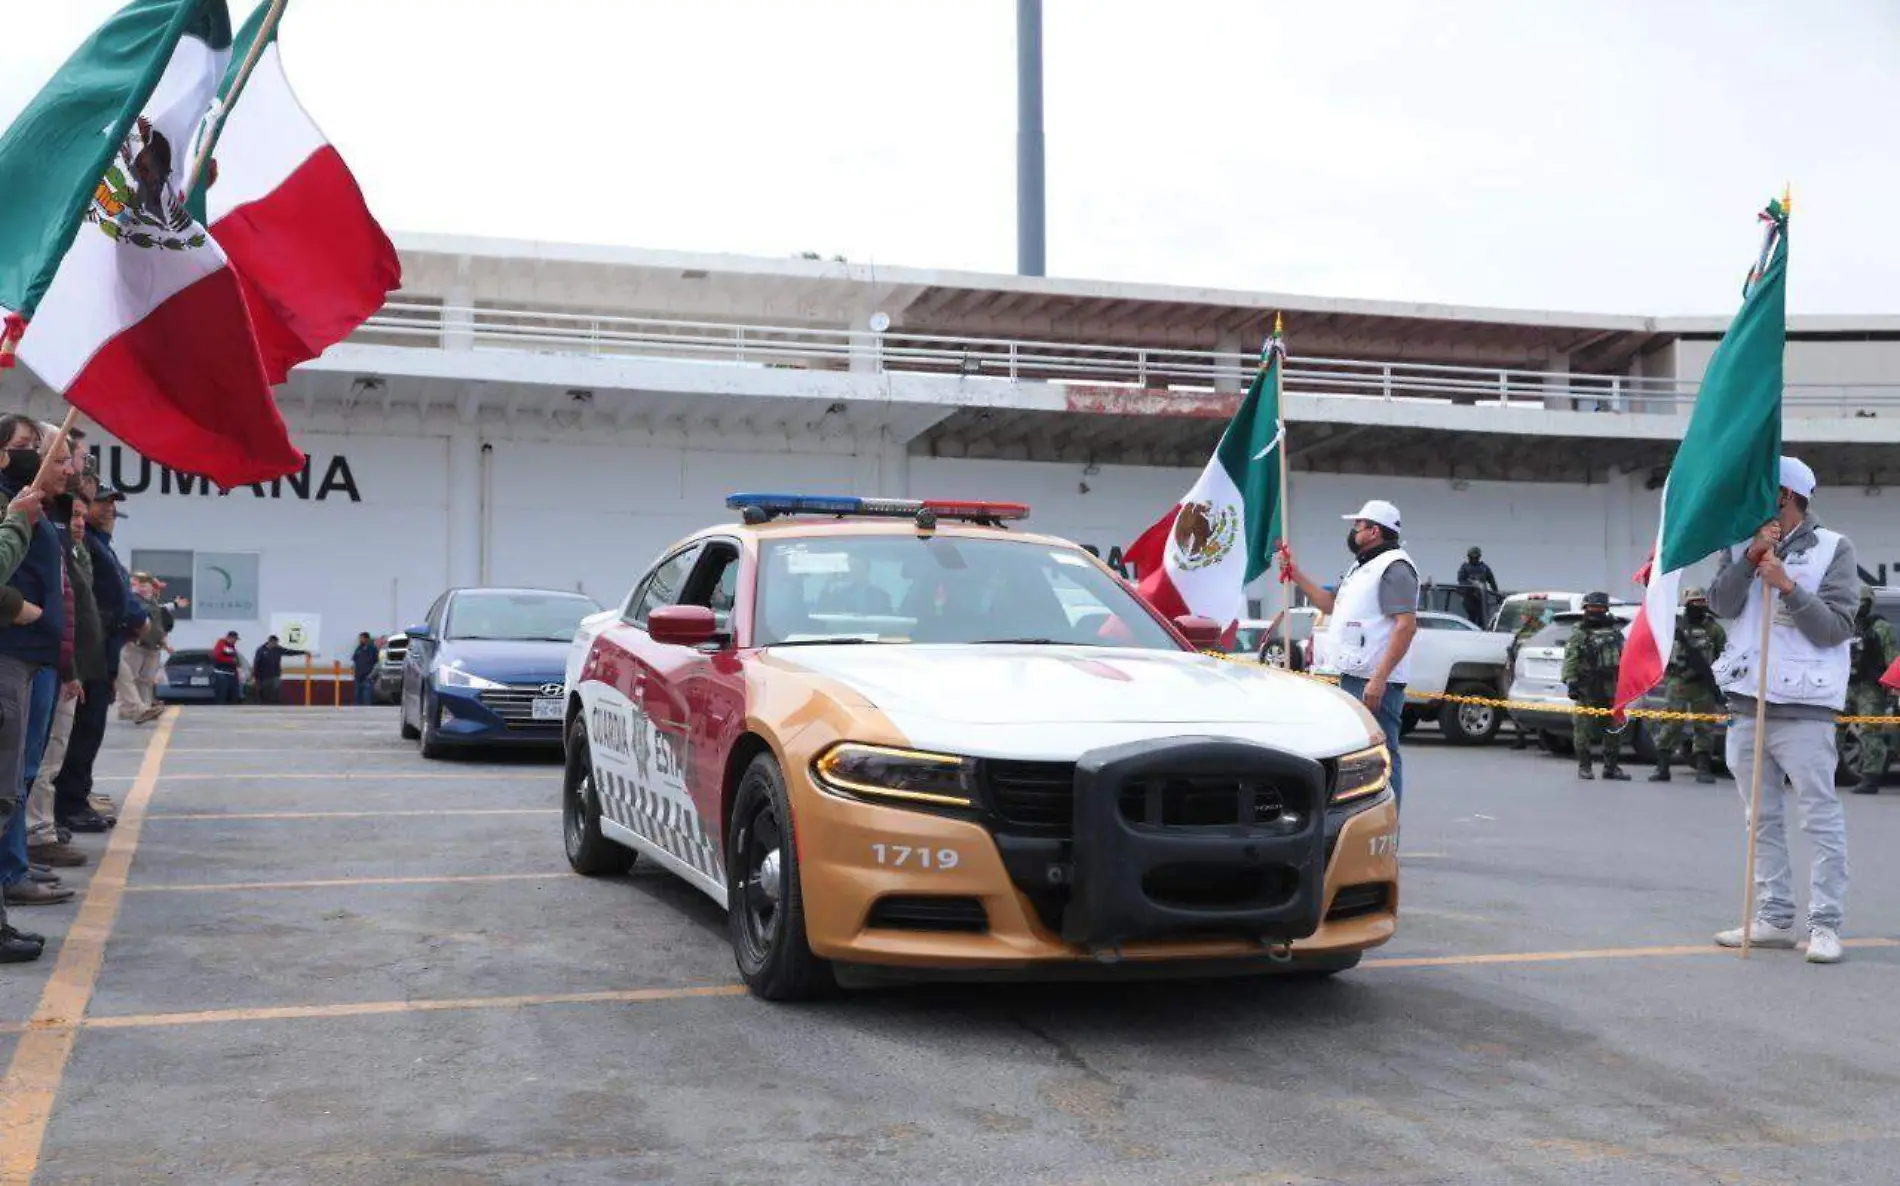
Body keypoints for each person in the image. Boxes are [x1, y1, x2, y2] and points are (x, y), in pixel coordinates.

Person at [1708, 455, 1856, 964]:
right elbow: (1720, 606)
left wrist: (1788, 587)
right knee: (1760, 819)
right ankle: (1772, 917)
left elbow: (1836, 628)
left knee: (1820, 819)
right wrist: (1751, 559)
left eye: (1760, 490)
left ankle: (1825, 924)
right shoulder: (1740, 545)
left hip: (1806, 710)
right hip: (1748, 704)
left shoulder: (1834, 548)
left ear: (1784, 496)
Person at [1280, 498, 1419, 805]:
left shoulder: (1394, 567)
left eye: (1358, 525)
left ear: (1374, 531)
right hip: (1355, 674)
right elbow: (1330, 605)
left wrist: (1379, 679)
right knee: (1357, 753)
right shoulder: (1362, 566)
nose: (1353, 531)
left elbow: (1406, 626)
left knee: (1381, 754)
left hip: (1374, 681)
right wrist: (1295, 574)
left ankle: (1386, 825)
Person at [0, 414, 77, 914]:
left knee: (18, 778)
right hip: (15, 652)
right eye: (25, 445)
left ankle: (16, 864)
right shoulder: (16, 507)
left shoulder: (31, 510)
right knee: (12, 780)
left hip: (38, 657)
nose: (69, 468)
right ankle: (10, 871)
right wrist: (15, 609)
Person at [49, 479, 144, 836]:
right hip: (90, 652)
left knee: (89, 732)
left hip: (104, 650)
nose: (107, 509)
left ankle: (77, 797)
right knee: (79, 733)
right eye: (101, 502)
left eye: (112, 503)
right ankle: (69, 804)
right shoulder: (84, 542)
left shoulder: (102, 546)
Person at [1648, 587, 1727, 785]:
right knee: (1672, 724)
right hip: (1679, 682)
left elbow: (1724, 656)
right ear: (1686, 604)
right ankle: (1662, 766)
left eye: (1702, 602)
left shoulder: (1714, 629)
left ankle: (1703, 767)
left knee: (1704, 725)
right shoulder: (1675, 627)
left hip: (1704, 685)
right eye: (1695, 602)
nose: (1699, 606)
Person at [1563, 591, 1629, 781]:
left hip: (1612, 688)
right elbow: (1571, 659)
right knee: (1583, 728)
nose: (1595, 611)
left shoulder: (1615, 633)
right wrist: (1571, 682)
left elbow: (1625, 657)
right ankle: (1585, 766)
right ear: (1585, 609)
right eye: (1592, 608)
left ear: (1606, 610)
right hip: (1587, 688)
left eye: (1599, 608)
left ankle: (1611, 767)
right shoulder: (1579, 634)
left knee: (1614, 727)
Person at [1845, 586, 1896, 795]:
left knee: (1869, 732)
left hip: (1870, 688)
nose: (1858, 605)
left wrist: (1893, 690)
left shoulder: (1881, 627)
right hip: (1846, 684)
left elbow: (1891, 658)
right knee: (1832, 729)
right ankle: (1827, 772)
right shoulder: (1846, 624)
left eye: (1862, 601)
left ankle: (1871, 778)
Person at [117, 573, 179, 723]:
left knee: (146, 680)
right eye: (139, 585)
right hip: (136, 644)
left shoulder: (153, 603)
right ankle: (127, 709)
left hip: (152, 646)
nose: (142, 588)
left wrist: (164, 644)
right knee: (129, 677)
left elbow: (158, 626)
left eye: (146, 585)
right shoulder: (136, 601)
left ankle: (143, 708)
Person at [1506, 607, 1547, 749]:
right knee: (1517, 705)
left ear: (1531, 616)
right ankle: (1520, 737)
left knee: (1539, 705)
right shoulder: (1522, 630)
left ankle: (1543, 738)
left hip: (1536, 674)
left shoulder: (1541, 631)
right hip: (1519, 672)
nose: (1521, 616)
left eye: (1524, 614)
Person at [253, 634, 306, 706]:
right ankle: (264, 705)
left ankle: (276, 705)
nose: (276, 644)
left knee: (276, 690)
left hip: (275, 675)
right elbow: (256, 663)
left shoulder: (278, 649)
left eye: (277, 643)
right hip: (263, 676)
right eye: (275, 643)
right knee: (264, 692)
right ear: (270, 642)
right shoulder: (261, 650)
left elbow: (289, 652)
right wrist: (255, 675)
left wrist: (303, 652)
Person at [1457, 546, 1500, 627]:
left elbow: (1492, 582)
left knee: (1482, 619)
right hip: (1469, 597)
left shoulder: (1484, 568)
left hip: (1482, 598)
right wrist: (1472, 585)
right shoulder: (1465, 567)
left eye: (1476, 557)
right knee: (1471, 619)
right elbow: (1461, 581)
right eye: (1471, 557)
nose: (1473, 559)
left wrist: (1497, 596)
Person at [210, 629, 243, 705]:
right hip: (221, 673)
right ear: (229, 638)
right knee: (222, 693)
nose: (235, 641)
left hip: (231, 673)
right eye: (234, 639)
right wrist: (230, 660)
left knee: (234, 693)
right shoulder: (221, 643)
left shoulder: (232, 647)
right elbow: (217, 656)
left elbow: (236, 660)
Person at [352, 632, 379, 706]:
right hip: (358, 676)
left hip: (367, 676)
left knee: (366, 695)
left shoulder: (372, 649)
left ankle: (367, 712)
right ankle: (356, 711)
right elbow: (354, 659)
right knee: (356, 695)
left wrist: (371, 675)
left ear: (367, 639)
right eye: (360, 638)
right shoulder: (359, 648)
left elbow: (376, 662)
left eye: (362, 638)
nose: (360, 639)